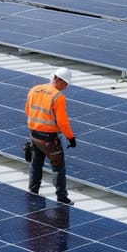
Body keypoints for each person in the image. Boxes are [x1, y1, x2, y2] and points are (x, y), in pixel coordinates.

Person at [26, 67, 76, 205]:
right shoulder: (57, 96)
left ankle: (33, 190)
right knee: (58, 167)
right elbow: (62, 122)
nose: (66, 87)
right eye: (65, 83)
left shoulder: (34, 89)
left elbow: (27, 110)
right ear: (58, 80)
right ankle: (62, 197)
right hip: (49, 138)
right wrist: (70, 137)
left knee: (36, 164)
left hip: (34, 134)